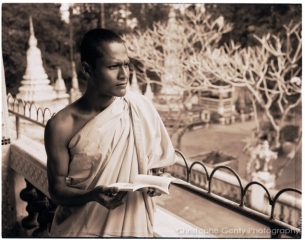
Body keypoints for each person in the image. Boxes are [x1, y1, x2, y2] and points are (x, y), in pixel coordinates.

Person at [44, 28, 178, 237]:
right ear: (87, 69)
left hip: (134, 222)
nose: (124, 74)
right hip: (83, 227)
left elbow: (155, 166)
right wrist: (92, 195)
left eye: (126, 64)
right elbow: (56, 191)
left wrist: (155, 179)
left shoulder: (139, 106)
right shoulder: (62, 125)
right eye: (113, 66)